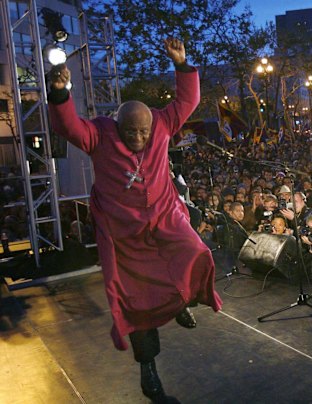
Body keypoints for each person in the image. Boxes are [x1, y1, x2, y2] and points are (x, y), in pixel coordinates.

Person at [47, 38, 222, 401]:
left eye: (144, 132)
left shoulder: (161, 124)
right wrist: (61, 93)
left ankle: (182, 302)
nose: (139, 138)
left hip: (164, 220)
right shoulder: (99, 134)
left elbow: (187, 102)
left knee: (195, 252)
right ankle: (149, 368)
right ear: (117, 125)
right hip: (124, 236)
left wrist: (182, 64)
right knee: (136, 302)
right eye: (132, 132)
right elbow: (68, 128)